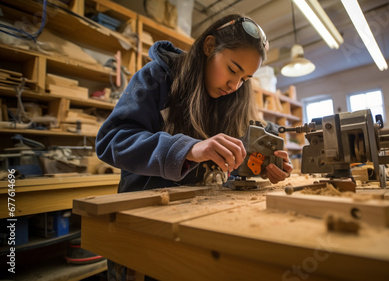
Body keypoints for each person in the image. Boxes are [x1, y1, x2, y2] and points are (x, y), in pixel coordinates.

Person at [95, 14, 293, 280]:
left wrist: (264, 163)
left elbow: (240, 155)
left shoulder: (234, 98)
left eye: (245, 78)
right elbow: (111, 140)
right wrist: (188, 149)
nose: (235, 85)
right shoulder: (157, 78)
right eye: (233, 69)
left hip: (202, 223)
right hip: (145, 222)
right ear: (209, 46)